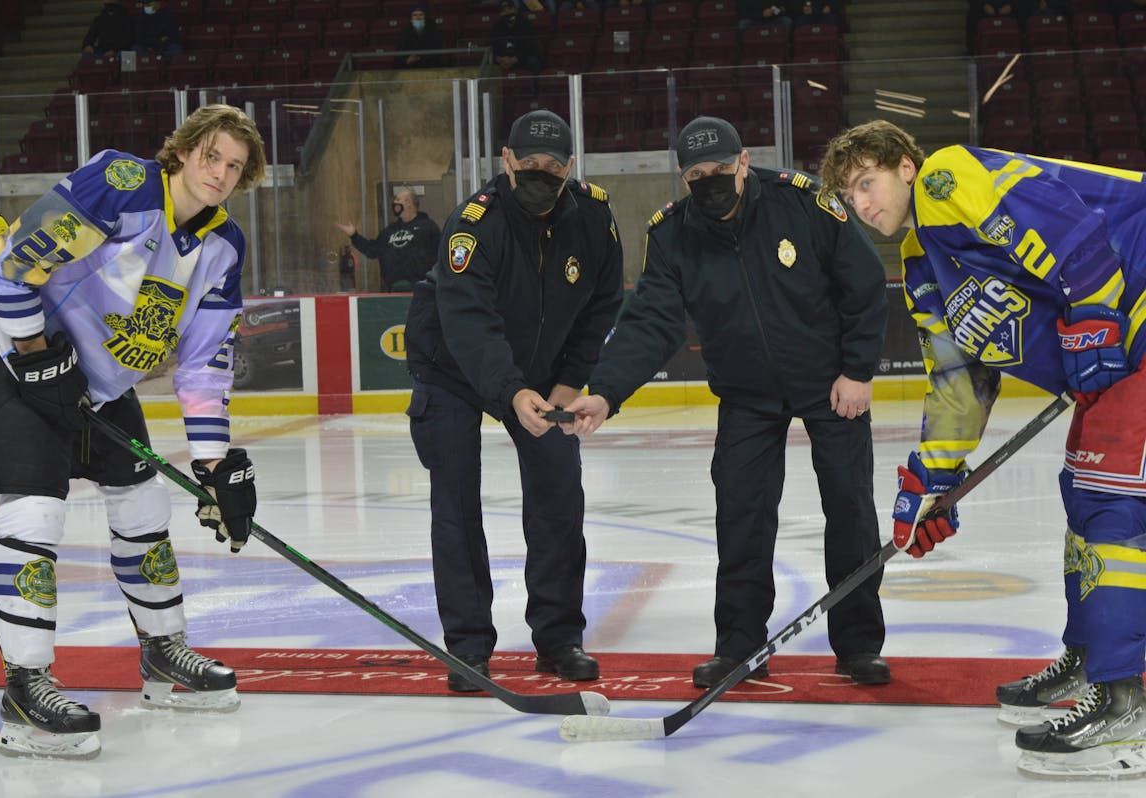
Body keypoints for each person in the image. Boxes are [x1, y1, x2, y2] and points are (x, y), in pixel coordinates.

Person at [819, 119, 1146, 778]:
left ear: (903, 166)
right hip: (1121, 351)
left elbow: (1073, 235)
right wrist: (928, 486)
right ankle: (1090, 663)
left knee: (1112, 503)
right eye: (849, 198)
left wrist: (1093, 324)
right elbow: (959, 382)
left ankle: (1125, 702)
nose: (862, 205)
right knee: (1084, 496)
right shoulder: (922, 262)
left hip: (1135, 315)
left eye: (866, 182)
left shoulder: (946, 177)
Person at [0, 103, 267, 759]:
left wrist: (214, 466)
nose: (220, 172)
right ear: (183, 151)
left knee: (144, 499)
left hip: (96, 379)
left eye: (235, 166)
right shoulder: (123, 185)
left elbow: (203, 370)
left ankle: (163, 654)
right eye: (211, 155)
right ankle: (25, 688)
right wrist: (36, 353)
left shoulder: (223, 249)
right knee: (37, 511)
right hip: (9, 344)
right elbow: (16, 267)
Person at [563, 116, 891, 689]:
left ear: (743, 162)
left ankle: (858, 645)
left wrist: (857, 372)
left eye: (720, 170)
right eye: (697, 175)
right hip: (747, 394)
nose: (710, 182)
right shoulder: (672, 234)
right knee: (741, 516)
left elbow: (862, 284)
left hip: (828, 384)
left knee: (850, 510)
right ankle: (739, 646)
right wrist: (606, 392)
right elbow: (650, 324)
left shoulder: (803, 203)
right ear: (684, 178)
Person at [403, 110, 624, 692]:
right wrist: (511, 390)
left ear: (570, 167)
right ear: (505, 161)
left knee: (557, 497)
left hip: (543, 374)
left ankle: (558, 639)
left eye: (553, 167)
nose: (540, 175)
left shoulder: (595, 219)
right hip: (451, 367)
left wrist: (568, 383)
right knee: (455, 504)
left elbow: (601, 307)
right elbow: (471, 324)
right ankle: (469, 648)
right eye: (529, 165)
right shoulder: (472, 225)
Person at [336, 188, 441, 292]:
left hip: (422, 290)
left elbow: (441, 254)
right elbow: (373, 250)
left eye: (399, 199)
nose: (395, 202)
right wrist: (354, 235)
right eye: (395, 200)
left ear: (409, 203)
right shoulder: (389, 231)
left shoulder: (428, 227)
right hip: (393, 290)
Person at [489, 0, 542, 73]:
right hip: (502, 59)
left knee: (533, 61)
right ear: (500, 13)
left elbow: (531, 47)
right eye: (504, 10)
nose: (507, 11)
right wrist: (499, 59)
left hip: (521, 58)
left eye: (510, 8)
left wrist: (514, 59)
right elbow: (491, 46)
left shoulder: (526, 24)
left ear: (515, 9)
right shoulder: (496, 27)